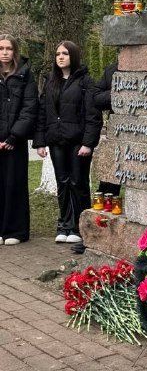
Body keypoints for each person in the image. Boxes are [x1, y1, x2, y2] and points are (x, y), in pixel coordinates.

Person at [33, 41, 102, 248]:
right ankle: (64, 225)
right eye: (57, 54)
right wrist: (40, 142)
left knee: (78, 182)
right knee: (62, 182)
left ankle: (80, 228)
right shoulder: (50, 81)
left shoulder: (85, 81)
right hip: (56, 140)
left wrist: (88, 143)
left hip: (77, 142)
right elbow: (42, 113)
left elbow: (93, 114)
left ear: (74, 55)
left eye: (65, 53)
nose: (60, 57)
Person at [0, 35, 38, 246]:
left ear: (15, 51)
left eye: (9, 48)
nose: (5, 52)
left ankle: (16, 230)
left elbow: (29, 108)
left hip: (16, 141)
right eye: (1, 48)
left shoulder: (25, 75)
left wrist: (14, 136)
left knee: (15, 184)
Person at [93, 62, 120, 197]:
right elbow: (96, 98)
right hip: (117, 130)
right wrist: (117, 92)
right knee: (110, 175)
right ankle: (107, 204)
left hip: (146, 129)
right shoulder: (112, 70)